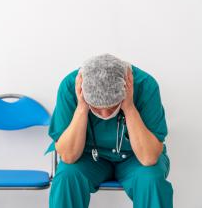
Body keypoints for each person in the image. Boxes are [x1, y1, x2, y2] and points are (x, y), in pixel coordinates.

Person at [46, 54, 173, 208]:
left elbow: (149, 157)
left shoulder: (146, 85)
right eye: (97, 107)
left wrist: (129, 107)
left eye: (112, 106)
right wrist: (81, 108)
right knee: (67, 176)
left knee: (151, 179)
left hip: (135, 157)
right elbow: (68, 156)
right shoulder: (70, 87)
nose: (105, 114)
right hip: (88, 157)